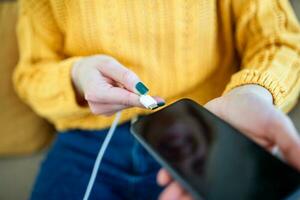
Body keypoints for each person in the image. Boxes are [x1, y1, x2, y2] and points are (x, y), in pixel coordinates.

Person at [13, 0, 300, 199]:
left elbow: (278, 41)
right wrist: (78, 75)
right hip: (88, 142)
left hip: (206, 126)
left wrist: (251, 92)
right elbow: (31, 76)